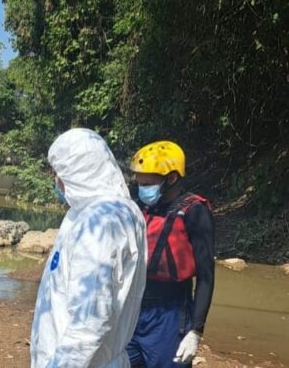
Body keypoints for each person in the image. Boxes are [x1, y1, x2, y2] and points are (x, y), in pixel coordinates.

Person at [30, 128, 147, 368]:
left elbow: (91, 320)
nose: (56, 180)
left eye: (59, 172)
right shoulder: (116, 211)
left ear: (76, 170)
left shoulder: (100, 222)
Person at [126, 141, 215, 368]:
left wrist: (196, 330)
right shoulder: (139, 208)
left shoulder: (194, 211)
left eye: (148, 182)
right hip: (134, 307)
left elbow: (206, 277)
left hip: (171, 312)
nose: (141, 187)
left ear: (172, 178)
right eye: (139, 181)